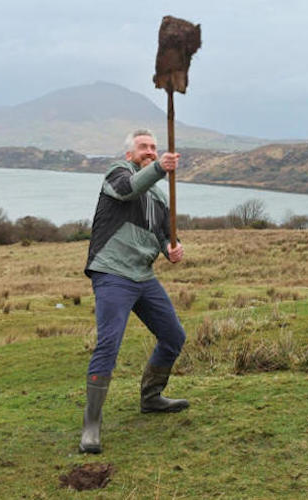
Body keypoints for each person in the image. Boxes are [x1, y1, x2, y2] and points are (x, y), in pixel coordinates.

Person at [79, 129, 188, 454]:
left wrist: (173, 248)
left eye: (154, 148)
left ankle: (151, 398)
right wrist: (159, 169)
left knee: (174, 337)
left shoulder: (159, 196)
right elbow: (128, 191)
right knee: (109, 346)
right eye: (143, 147)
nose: (150, 151)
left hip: (143, 276)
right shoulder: (117, 174)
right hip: (112, 273)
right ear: (130, 154)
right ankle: (91, 426)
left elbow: (163, 234)